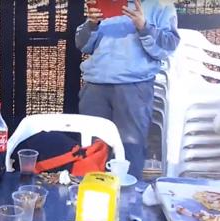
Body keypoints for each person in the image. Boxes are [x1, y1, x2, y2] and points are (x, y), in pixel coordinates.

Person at [75, 0, 180, 179]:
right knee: (91, 149)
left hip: (134, 87)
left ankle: (127, 203)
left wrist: (143, 26)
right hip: (95, 86)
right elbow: (83, 45)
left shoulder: (160, 5)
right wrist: (91, 24)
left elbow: (168, 46)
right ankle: (91, 198)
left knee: (129, 150)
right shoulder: (105, 3)